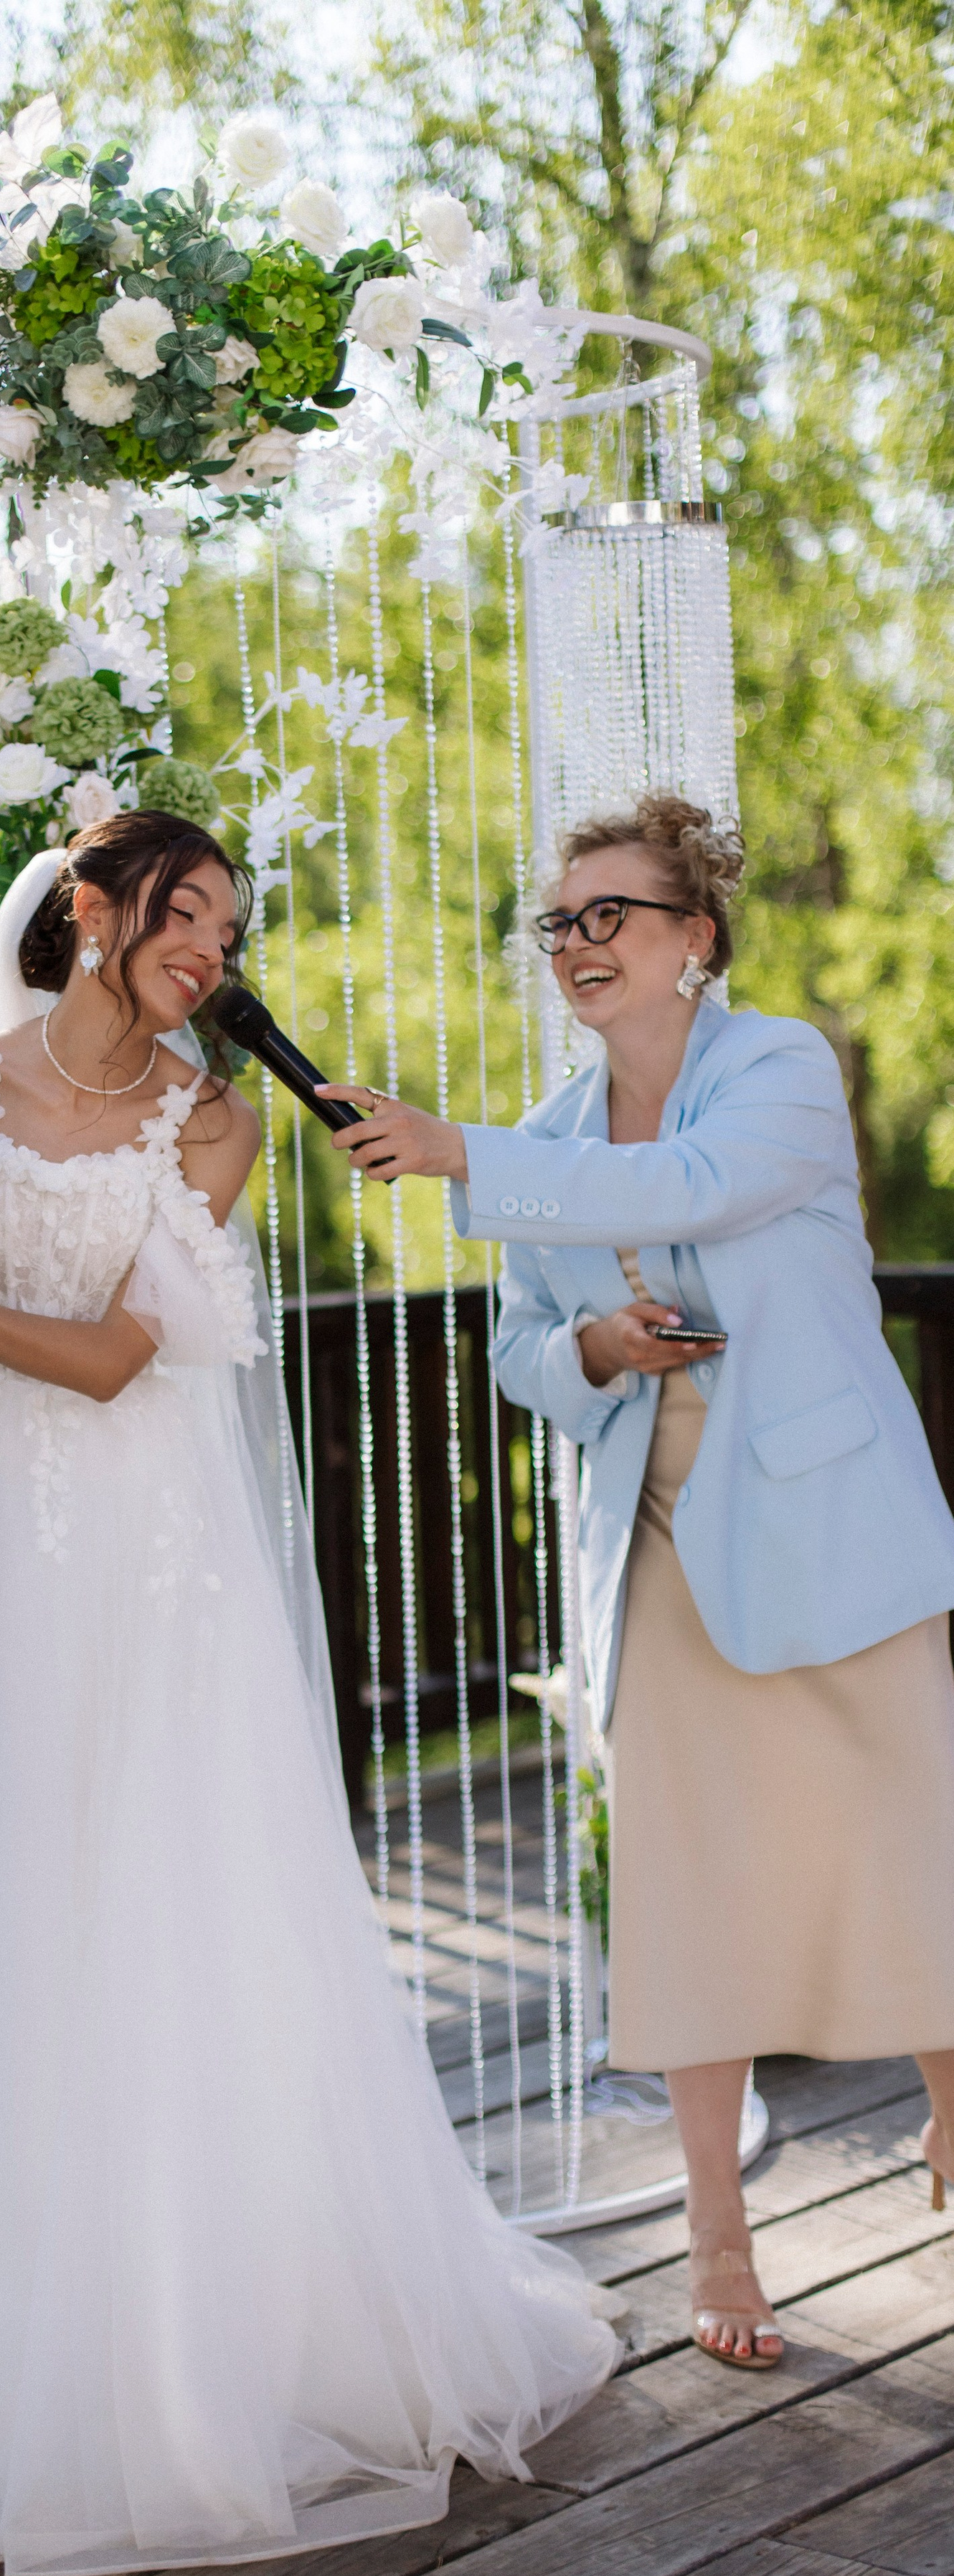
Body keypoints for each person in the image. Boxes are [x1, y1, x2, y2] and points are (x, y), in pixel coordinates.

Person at [0, 809, 618, 2576]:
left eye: (227, 934)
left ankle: (171, 2347)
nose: (210, 960)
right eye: (187, 922)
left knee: (146, 1894)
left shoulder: (213, 1121)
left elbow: (108, 1358)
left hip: (127, 1548)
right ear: (88, 913)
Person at [323, 791, 954, 2372]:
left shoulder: (780, 1070)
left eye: (610, 915)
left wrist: (456, 1153)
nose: (576, 945)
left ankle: (953, 2133)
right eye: (558, 922)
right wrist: (591, 1349)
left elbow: (690, 1192)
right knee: (681, 1891)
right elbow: (521, 1351)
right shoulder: (539, 1140)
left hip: (831, 1528)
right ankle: (720, 2241)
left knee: (911, 1847)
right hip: (657, 1541)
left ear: (695, 940)